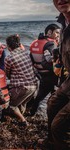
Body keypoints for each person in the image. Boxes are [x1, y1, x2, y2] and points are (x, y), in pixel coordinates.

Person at [43, 1, 70, 149]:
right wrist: (59, 52)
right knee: (51, 105)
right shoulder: (64, 22)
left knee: (59, 126)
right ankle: (52, 143)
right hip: (68, 81)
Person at [4, 34, 38, 126]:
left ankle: (23, 121)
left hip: (22, 87)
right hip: (34, 85)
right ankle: (20, 117)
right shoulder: (25, 52)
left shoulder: (9, 58)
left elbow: (7, 73)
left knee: (10, 104)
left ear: (8, 46)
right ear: (19, 44)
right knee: (22, 103)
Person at [29, 23, 61, 115]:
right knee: (51, 96)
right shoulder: (51, 44)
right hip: (51, 75)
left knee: (42, 95)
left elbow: (31, 58)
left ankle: (33, 111)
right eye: (57, 33)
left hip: (40, 73)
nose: (58, 35)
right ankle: (37, 112)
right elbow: (52, 61)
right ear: (50, 32)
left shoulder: (35, 42)